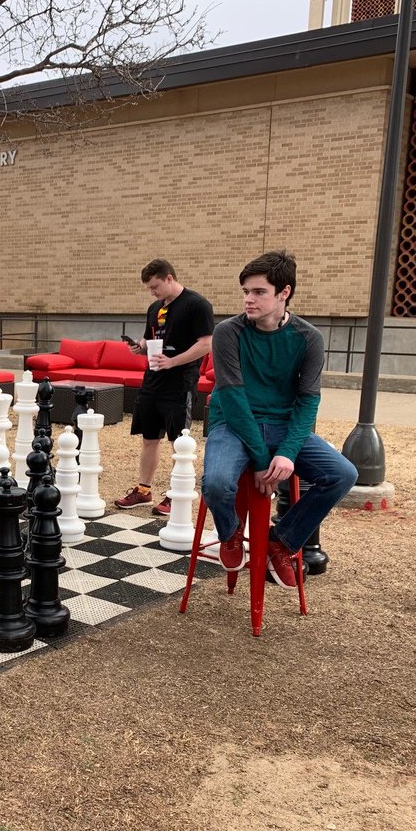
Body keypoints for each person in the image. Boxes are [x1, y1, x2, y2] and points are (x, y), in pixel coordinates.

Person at [201, 250, 357, 589]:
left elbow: (308, 401)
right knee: (215, 482)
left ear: (283, 293)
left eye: (259, 292)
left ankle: (282, 541)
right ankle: (229, 534)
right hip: (232, 423)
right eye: (245, 291)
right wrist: (261, 461)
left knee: (343, 474)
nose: (248, 300)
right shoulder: (229, 332)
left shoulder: (308, 338)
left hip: (283, 425)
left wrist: (286, 453)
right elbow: (233, 398)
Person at [115, 259, 213, 513]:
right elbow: (151, 341)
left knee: (178, 441)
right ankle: (144, 490)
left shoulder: (197, 305)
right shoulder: (154, 307)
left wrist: (173, 362)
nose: (153, 292)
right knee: (149, 438)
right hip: (152, 380)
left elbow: (206, 343)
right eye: (149, 288)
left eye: (155, 286)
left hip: (179, 382)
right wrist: (140, 347)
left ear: (170, 278)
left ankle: (175, 493)